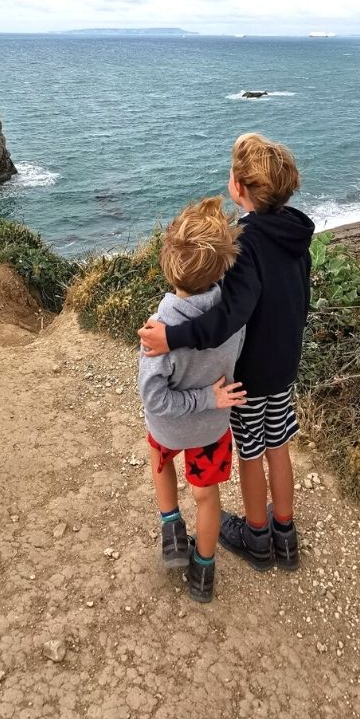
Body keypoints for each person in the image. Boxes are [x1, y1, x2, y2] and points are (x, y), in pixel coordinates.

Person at [139, 132, 314, 572]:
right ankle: (286, 537)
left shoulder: (246, 243)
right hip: (284, 364)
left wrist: (173, 338)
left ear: (238, 187)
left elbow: (230, 317)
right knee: (280, 446)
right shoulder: (296, 231)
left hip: (251, 373)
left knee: (253, 451)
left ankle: (257, 536)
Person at [138, 196, 247, 603]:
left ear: (169, 265)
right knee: (206, 498)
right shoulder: (234, 320)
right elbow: (233, 362)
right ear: (223, 265)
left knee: (161, 461)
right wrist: (211, 398)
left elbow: (154, 400)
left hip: (169, 428)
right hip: (211, 431)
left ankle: (170, 528)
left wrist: (200, 396)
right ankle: (203, 573)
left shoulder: (158, 330)